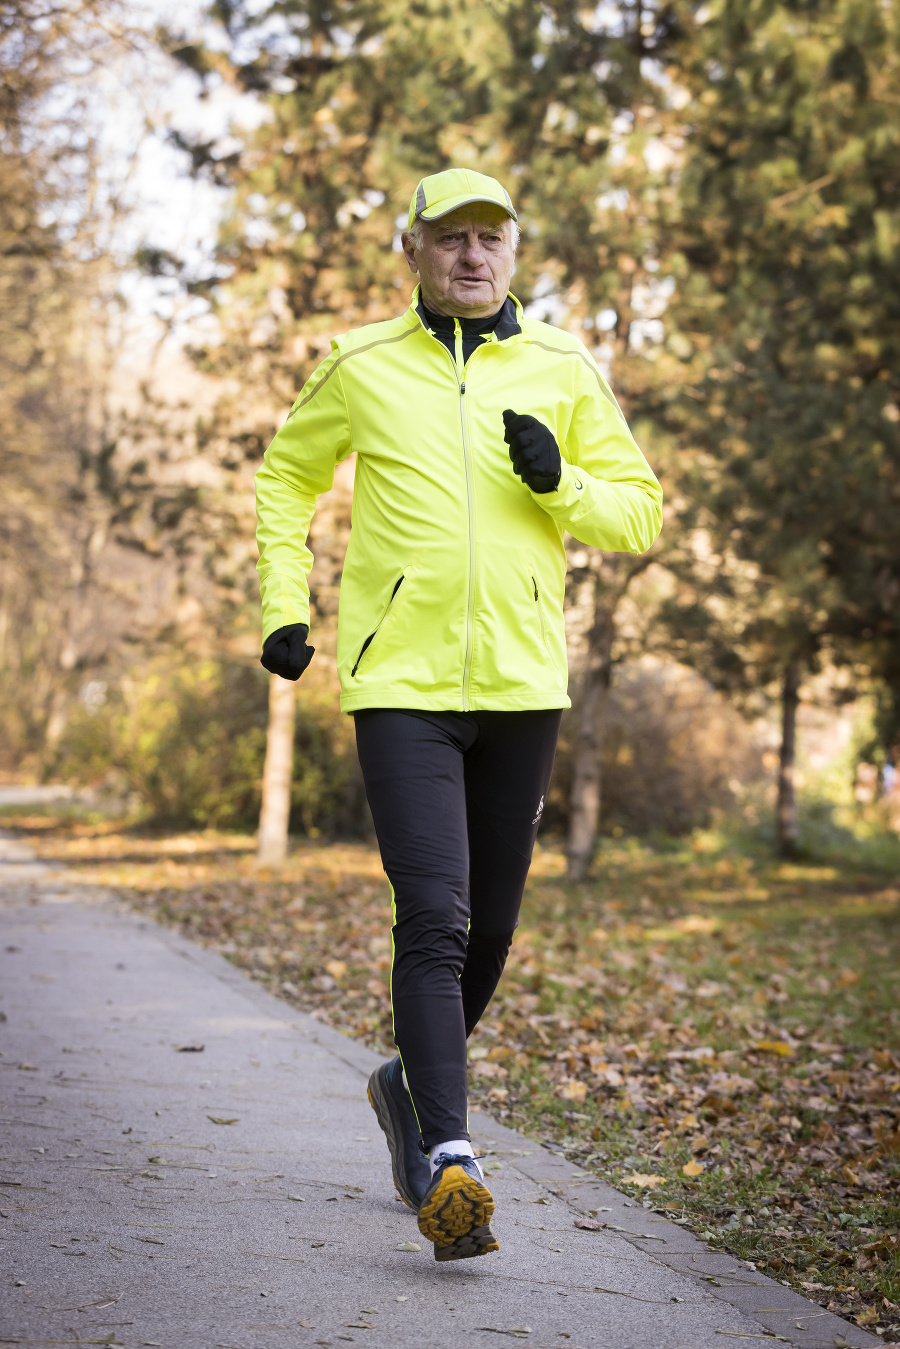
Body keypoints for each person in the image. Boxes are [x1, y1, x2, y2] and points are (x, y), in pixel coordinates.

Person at [255, 167, 663, 1261]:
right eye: (450, 240)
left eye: (490, 238)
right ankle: (450, 1157)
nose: (471, 256)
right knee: (432, 919)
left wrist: (561, 479)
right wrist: (286, 605)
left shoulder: (565, 365)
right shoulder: (362, 364)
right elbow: (285, 479)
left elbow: (641, 514)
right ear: (414, 250)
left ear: (515, 251)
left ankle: (404, 1085)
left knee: (489, 932)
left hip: (525, 685)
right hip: (402, 686)